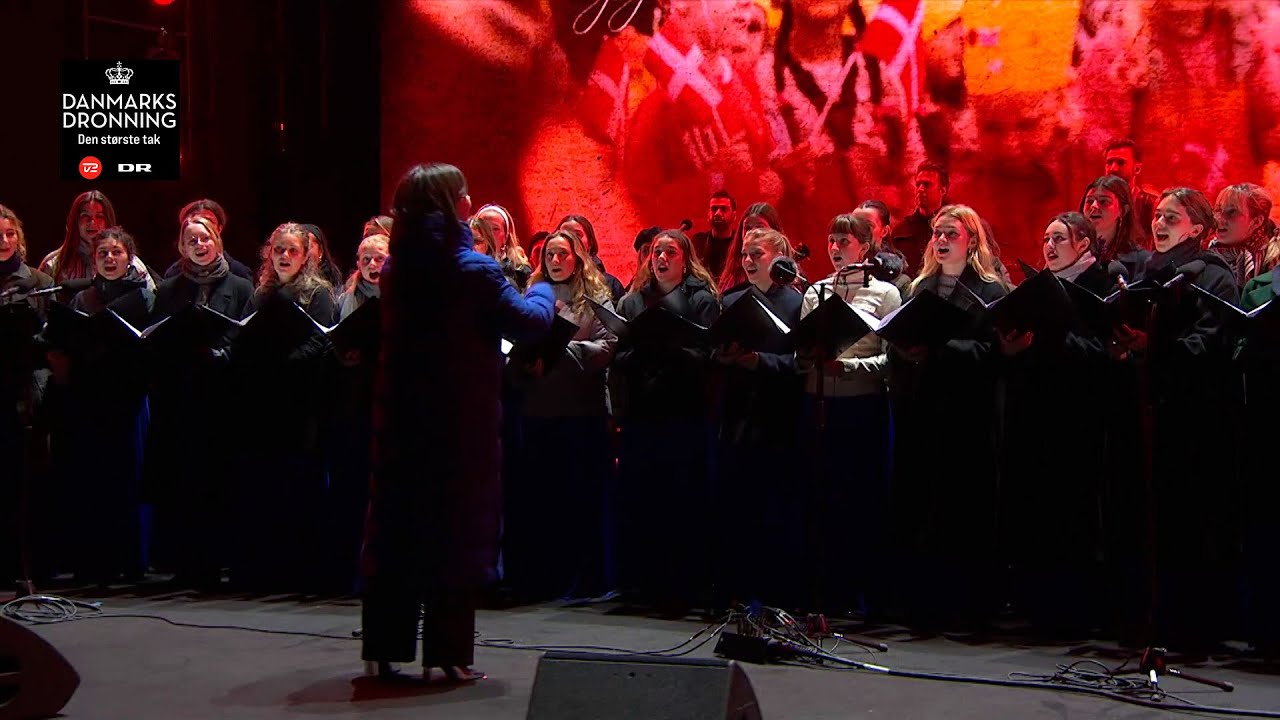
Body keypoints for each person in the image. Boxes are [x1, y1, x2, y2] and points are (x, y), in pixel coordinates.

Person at [361, 162, 555, 683]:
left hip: (402, 421)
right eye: (465, 194)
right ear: (454, 206)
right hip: (456, 424)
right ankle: (447, 655)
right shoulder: (474, 270)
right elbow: (532, 324)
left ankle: (382, 649)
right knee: (453, 534)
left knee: (398, 532)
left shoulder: (397, 269)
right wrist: (540, 288)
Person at [889, 162, 948, 275]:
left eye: (927, 184)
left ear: (942, 190)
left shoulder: (956, 229)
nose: (920, 189)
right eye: (918, 184)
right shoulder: (901, 231)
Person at [1104, 138, 1159, 232]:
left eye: (1120, 162)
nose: (1113, 168)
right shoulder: (1097, 205)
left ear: (1137, 169)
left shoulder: (1151, 205)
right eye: (1109, 162)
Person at [690, 190, 738, 279]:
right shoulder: (698, 242)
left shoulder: (740, 243)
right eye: (714, 209)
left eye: (723, 209)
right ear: (708, 213)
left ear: (734, 215)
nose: (718, 213)